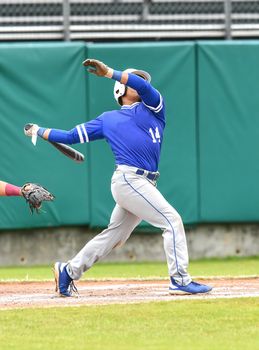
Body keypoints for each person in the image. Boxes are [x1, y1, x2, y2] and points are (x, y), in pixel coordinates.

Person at [25, 58, 212, 297]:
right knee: (172, 221)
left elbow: (145, 88)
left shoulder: (155, 109)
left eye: (142, 80)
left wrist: (109, 72)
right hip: (128, 180)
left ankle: (68, 271)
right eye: (135, 80)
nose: (142, 83)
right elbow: (71, 136)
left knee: (114, 235)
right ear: (121, 90)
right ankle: (180, 279)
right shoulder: (108, 119)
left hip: (144, 182)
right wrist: (39, 130)